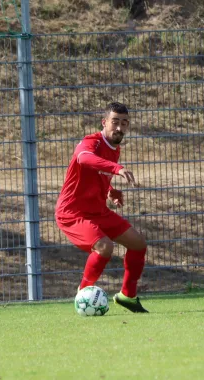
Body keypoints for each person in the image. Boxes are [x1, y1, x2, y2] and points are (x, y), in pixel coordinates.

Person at [56, 102, 148, 313]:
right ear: (104, 122)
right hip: (72, 212)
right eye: (115, 122)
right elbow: (84, 158)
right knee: (104, 247)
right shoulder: (91, 142)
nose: (119, 127)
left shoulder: (114, 148)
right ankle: (83, 292)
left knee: (138, 244)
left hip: (98, 211)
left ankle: (127, 296)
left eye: (124, 123)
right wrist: (116, 169)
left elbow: (96, 174)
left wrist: (110, 191)